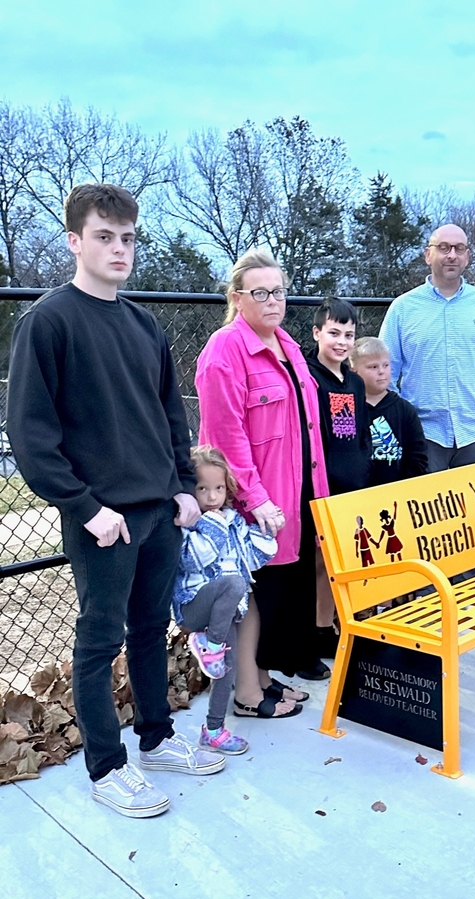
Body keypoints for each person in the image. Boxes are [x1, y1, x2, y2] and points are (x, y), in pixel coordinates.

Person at [6, 183, 225, 819]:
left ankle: (156, 738)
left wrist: (183, 486)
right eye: (104, 236)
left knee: (152, 629)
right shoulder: (46, 322)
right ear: (75, 241)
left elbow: (168, 416)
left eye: (128, 238)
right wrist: (84, 506)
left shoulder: (144, 324)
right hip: (102, 519)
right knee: (99, 642)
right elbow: (32, 435)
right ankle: (107, 767)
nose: (119, 249)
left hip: (159, 511)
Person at [195, 249, 329, 715]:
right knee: (251, 596)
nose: (273, 301)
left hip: (297, 497)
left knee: (275, 596)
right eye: (261, 293)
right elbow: (227, 440)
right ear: (237, 297)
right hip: (257, 507)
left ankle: (264, 677)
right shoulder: (224, 351)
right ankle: (248, 693)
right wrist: (257, 499)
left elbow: (308, 430)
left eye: (279, 292)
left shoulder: (287, 345)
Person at [380, 224, 475, 472]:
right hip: (423, 436)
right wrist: (402, 419)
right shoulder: (402, 309)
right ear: (427, 255)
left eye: (459, 248)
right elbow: (384, 371)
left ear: (467, 255)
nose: (451, 254)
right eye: (443, 248)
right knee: (426, 509)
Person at [172, 446, 281, 753]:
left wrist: (267, 531)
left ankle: (214, 729)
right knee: (233, 583)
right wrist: (216, 525)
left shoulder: (232, 520)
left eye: (218, 488)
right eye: (202, 489)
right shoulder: (185, 523)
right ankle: (212, 646)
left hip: (226, 614)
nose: (211, 497)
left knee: (226, 670)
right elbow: (193, 560)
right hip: (195, 607)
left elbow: (253, 558)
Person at [306, 297, 372, 664]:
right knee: (318, 560)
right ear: (317, 333)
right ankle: (314, 632)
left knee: (340, 564)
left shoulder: (355, 383)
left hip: (353, 485)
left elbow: (360, 433)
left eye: (348, 334)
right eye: (333, 332)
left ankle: (334, 625)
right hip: (321, 486)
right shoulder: (309, 377)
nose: (341, 341)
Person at [348, 336, 429, 485]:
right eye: (373, 367)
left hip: (397, 494)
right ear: (354, 371)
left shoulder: (405, 410)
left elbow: (418, 457)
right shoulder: (347, 409)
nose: (381, 372)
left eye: (386, 365)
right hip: (356, 496)